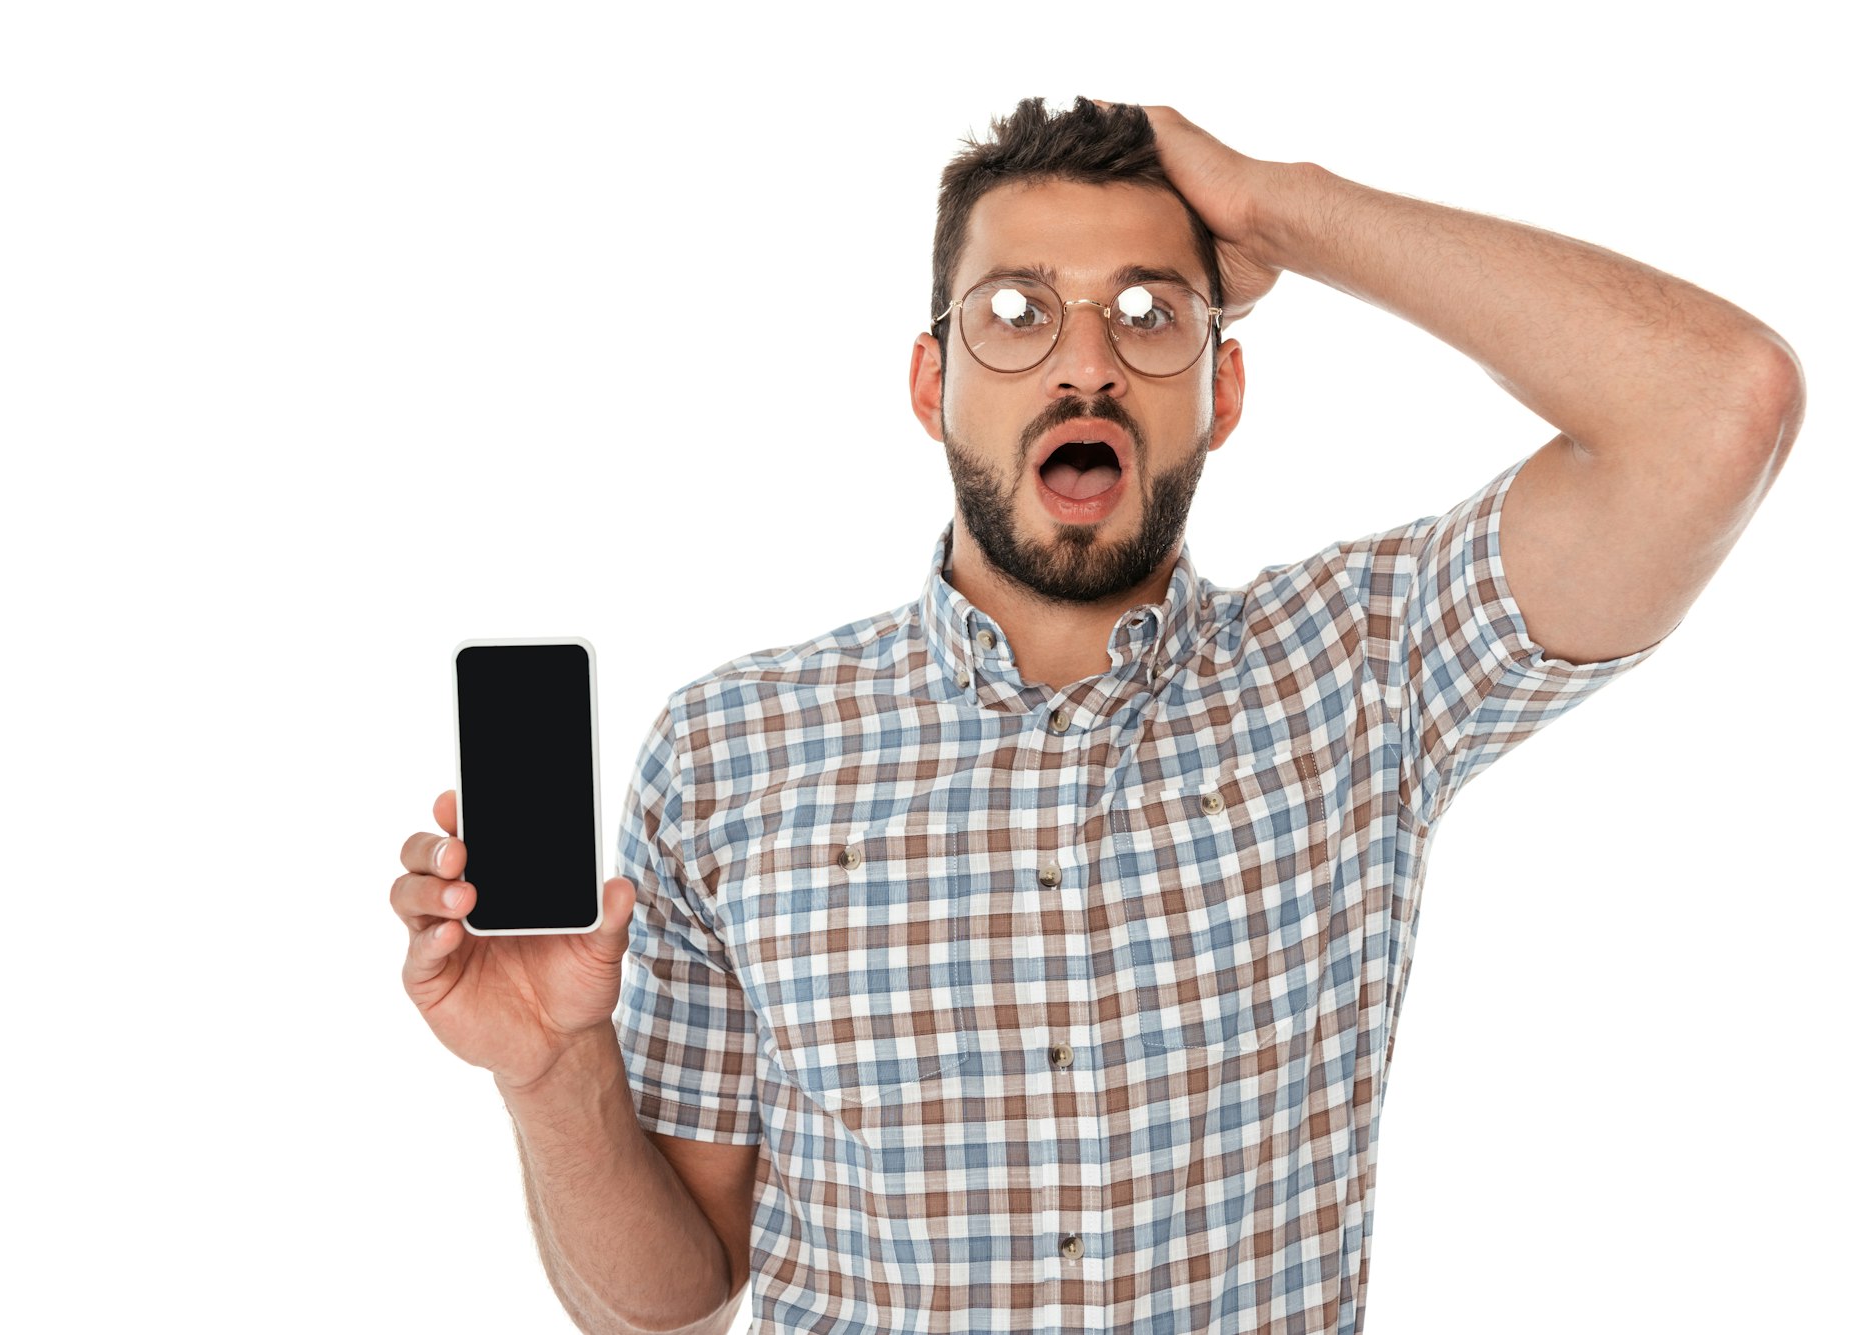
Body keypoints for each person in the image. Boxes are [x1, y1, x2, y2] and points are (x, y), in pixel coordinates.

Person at [392, 97, 1802, 1334]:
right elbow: (670, 1308)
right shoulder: (732, 753)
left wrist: (1280, 210)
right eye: (1015, 313)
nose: (1086, 365)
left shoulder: (1361, 672)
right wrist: (552, 1068)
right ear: (932, 387)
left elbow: (1718, 404)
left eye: (1149, 314)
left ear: (1222, 386)